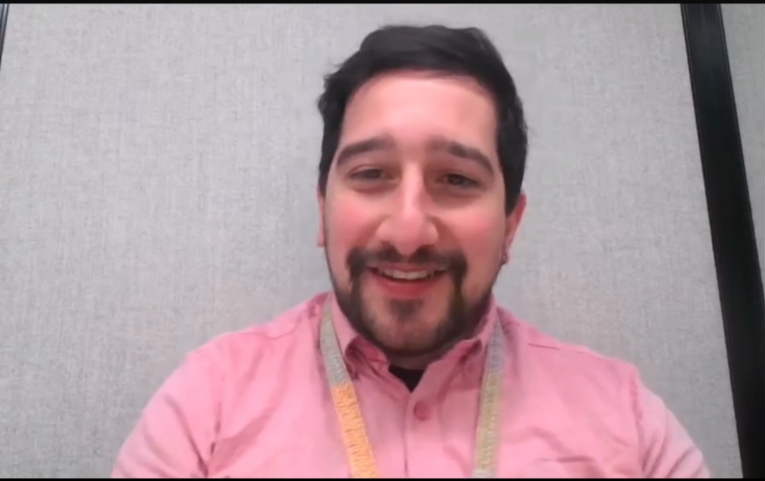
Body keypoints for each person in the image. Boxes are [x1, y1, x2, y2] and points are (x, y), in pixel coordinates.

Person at [111, 24, 710, 478]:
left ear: (511, 225)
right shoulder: (206, 406)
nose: (407, 231)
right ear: (322, 209)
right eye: (372, 174)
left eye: (457, 180)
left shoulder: (628, 423)